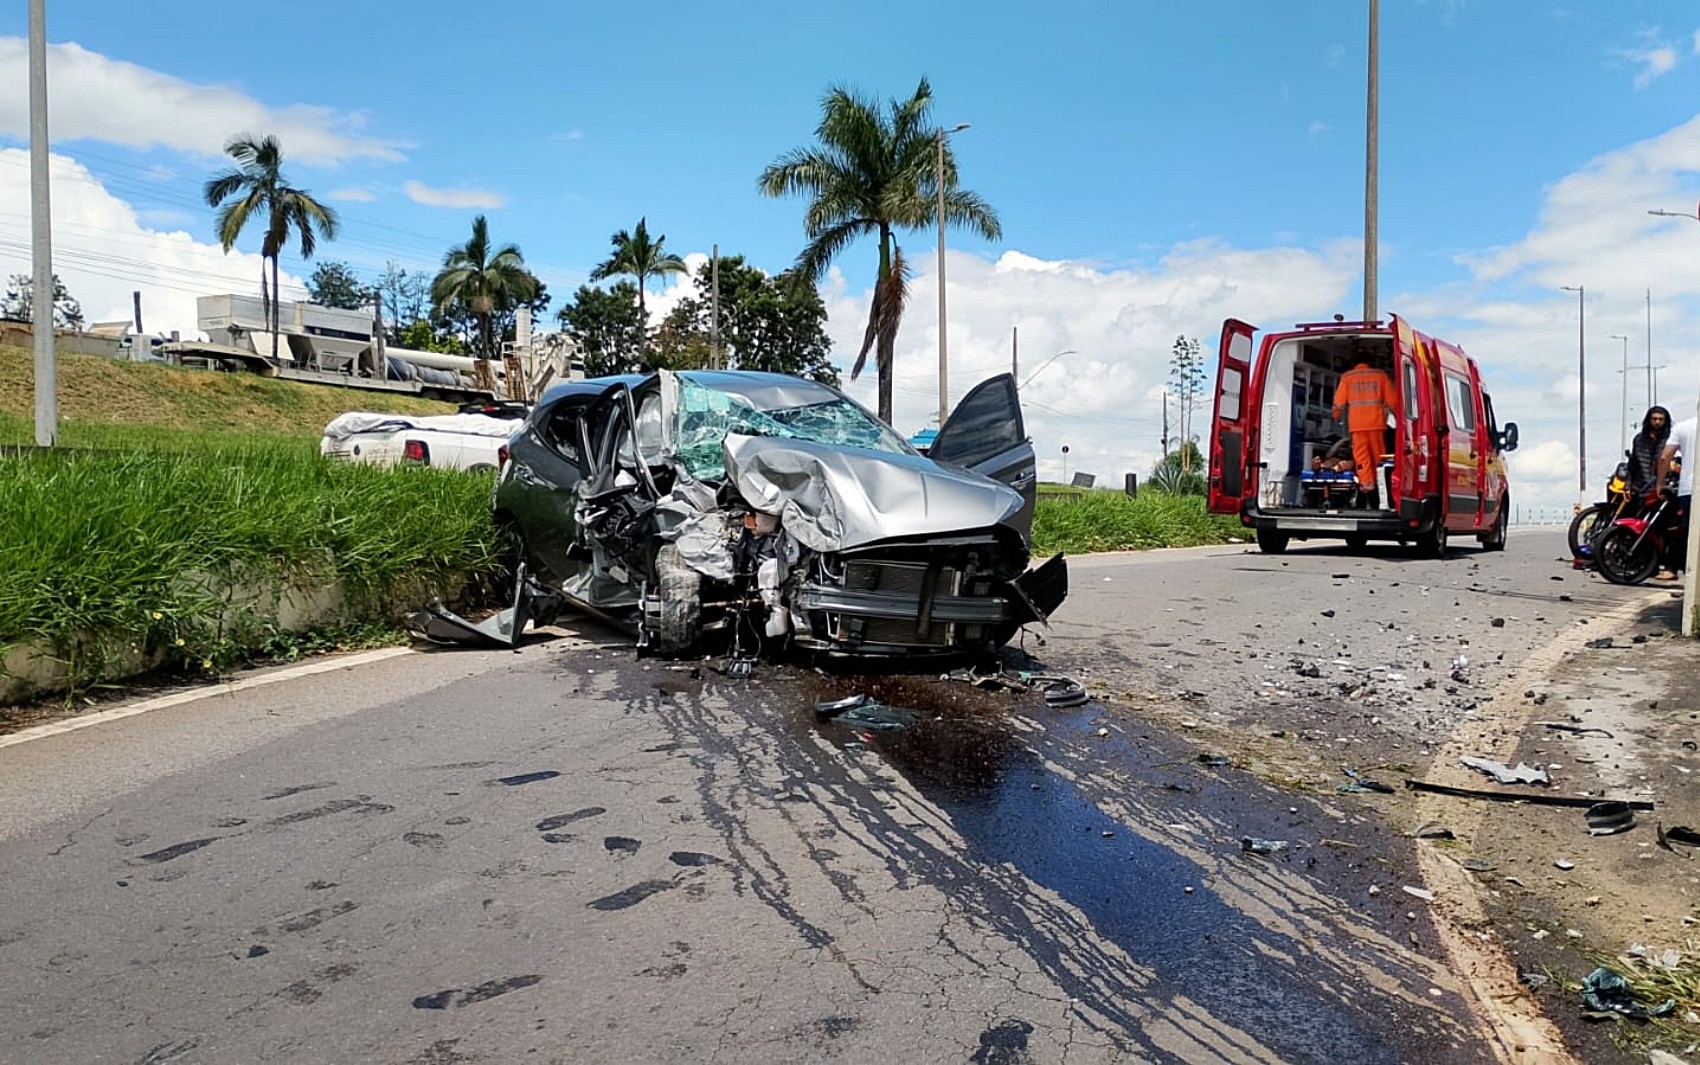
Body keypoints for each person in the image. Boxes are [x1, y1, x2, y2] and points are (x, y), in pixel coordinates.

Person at [1332, 360, 1398, 495]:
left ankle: (1367, 484)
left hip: (1357, 426)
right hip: (1376, 424)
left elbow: (1339, 402)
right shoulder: (1381, 376)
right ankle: (1381, 485)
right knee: (1378, 456)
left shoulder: (1347, 378)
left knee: (1361, 456)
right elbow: (1393, 401)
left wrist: (1336, 416)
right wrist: (1400, 418)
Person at [1655, 414, 1694, 581]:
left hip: (1689, 488)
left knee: (1687, 531)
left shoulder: (1683, 427)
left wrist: (1660, 483)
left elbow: (1664, 457)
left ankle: (1674, 569)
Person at [1628, 405, 1671, 492]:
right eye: (1654, 419)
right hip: (1640, 487)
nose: (1657, 422)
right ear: (1649, 420)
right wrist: (1628, 485)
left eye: (1661, 419)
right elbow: (1633, 464)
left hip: (1663, 487)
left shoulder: (1671, 439)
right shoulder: (1639, 439)